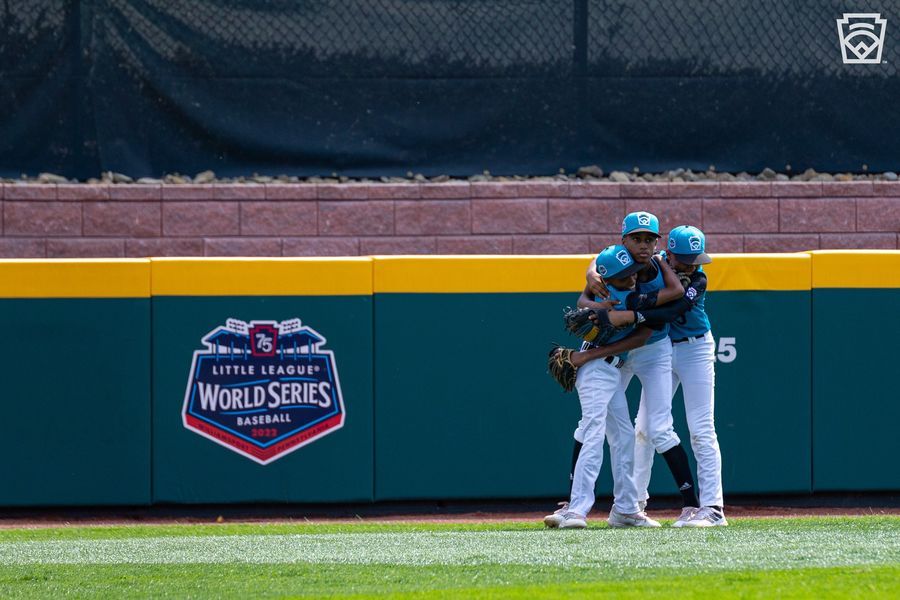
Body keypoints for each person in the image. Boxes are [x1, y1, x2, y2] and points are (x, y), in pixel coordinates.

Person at [546, 244, 680, 529]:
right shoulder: (619, 297)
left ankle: (626, 509)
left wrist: (592, 286)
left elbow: (587, 296)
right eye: (623, 276)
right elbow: (638, 328)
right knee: (593, 433)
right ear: (607, 281)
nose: (631, 278)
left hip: (606, 365)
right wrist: (595, 304)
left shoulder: (615, 291)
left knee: (624, 436)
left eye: (632, 272)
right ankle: (576, 510)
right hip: (596, 370)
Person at [582, 212, 702, 524]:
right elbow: (584, 298)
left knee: (660, 428)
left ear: (658, 243)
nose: (644, 245)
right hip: (621, 352)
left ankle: (691, 505)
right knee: (596, 423)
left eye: (650, 239)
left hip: (653, 348)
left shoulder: (661, 266)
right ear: (624, 240)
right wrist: (591, 275)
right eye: (637, 238)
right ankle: (586, 505)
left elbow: (672, 301)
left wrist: (632, 313)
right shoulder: (610, 265)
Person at [639, 225, 726, 527]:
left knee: (701, 428)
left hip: (695, 348)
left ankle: (713, 508)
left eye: (695, 259)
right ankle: (633, 505)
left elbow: (674, 309)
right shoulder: (654, 265)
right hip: (662, 349)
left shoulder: (698, 278)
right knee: (643, 427)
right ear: (670, 253)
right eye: (685, 260)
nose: (691, 265)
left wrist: (635, 311)